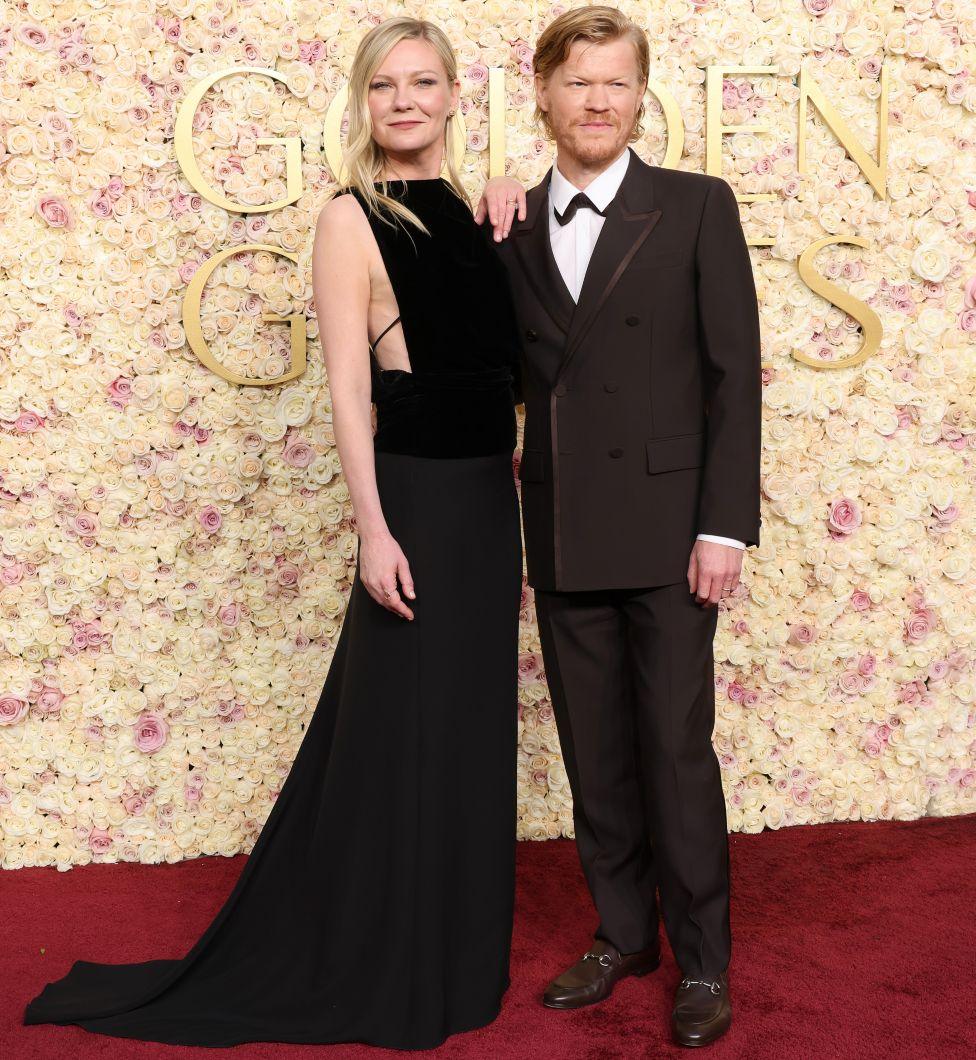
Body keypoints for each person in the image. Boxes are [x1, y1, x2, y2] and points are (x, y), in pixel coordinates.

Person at [24, 17, 527, 1051]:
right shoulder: (351, 217)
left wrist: (510, 205)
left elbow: (502, 364)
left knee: (469, 734)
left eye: (422, 82)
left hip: (488, 506)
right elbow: (348, 390)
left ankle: (454, 948)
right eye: (383, 86)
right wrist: (372, 531)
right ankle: (388, 955)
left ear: (451, 96)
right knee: (405, 736)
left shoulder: (479, 215)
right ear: (362, 102)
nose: (403, 102)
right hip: (418, 504)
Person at [484, 6, 762, 1048]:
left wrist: (724, 528)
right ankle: (620, 930)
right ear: (544, 94)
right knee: (592, 749)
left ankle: (701, 958)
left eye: (615, 82)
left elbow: (735, 377)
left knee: (673, 747)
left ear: (640, 94)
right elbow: (499, 369)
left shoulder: (694, 206)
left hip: (669, 530)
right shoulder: (507, 225)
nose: (596, 100)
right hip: (559, 524)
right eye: (577, 82)